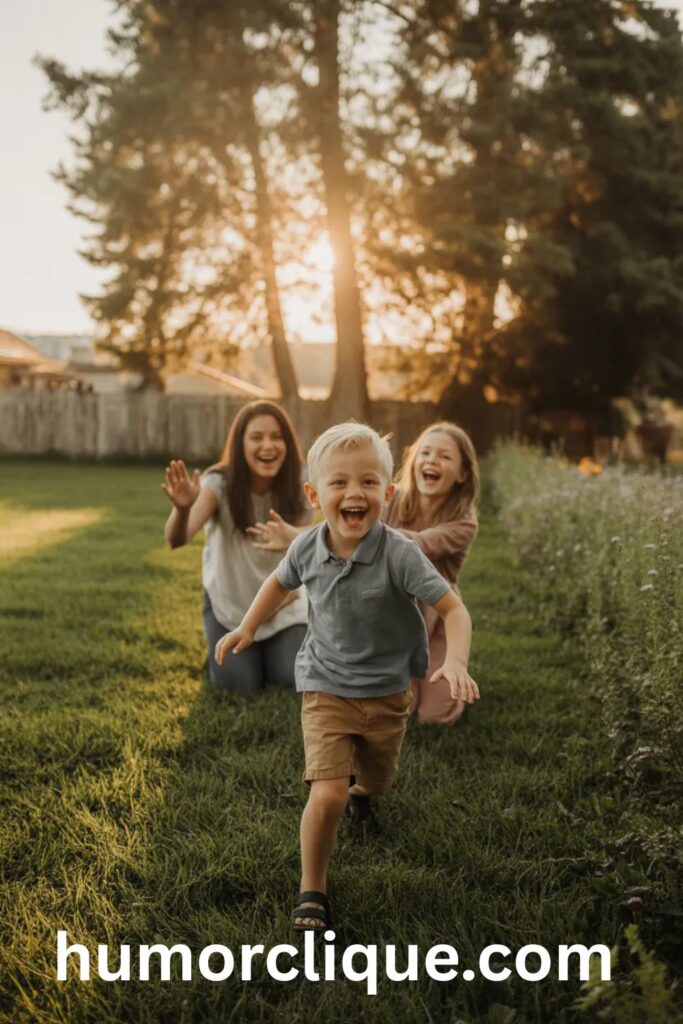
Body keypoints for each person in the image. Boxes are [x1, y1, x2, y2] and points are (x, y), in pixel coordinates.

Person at [214, 422, 479, 931]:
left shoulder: (401, 552)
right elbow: (277, 581)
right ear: (315, 495)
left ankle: (366, 794)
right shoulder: (308, 547)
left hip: (387, 693)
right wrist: (248, 626)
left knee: (375, 782)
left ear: (388, 492)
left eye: (367, 482)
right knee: (328, 791)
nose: (354, 493)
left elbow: (454, 609)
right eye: (338, 483)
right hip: (325, 686)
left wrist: (458, 661)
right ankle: (312, 891)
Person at [162, 401, 310, 693]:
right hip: (230, 608)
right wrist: (182, 509)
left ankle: (269, 653)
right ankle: (234, 656)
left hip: (284, 607)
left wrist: (293, 535)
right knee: (239, 687)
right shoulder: (217, 483)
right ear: (240, 444)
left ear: (288, 443)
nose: (267, 445)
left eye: (276, 436)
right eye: (256, 437)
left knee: (291, 678)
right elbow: (176, 539)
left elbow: (325, 541)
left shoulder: (300, 482)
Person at [385, 421, 479, 725]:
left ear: (462, 473)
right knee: (402, 707)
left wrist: (372, 535)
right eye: (425, 452)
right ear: (414, 462)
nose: (432, 460)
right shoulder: (391, 498)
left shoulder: (464, 522)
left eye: (445, 456)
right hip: (390, 611)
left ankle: (448, 662)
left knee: (434, 716)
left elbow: (418, 544)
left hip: (436, 614)